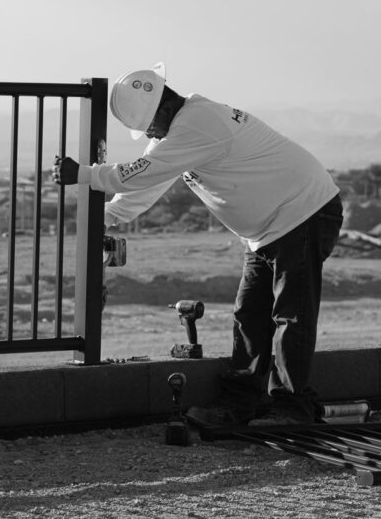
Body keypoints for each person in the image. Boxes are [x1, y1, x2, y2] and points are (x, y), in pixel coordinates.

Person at [53, 63, 342, 427]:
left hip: (304, 213)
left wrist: (83, 175)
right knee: (249, 314)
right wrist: (107, 217)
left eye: (148, 127)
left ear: (161, 110)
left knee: (290, 314)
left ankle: (289, 407)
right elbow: (151, 182)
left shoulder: (200, 123)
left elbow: (145, 171)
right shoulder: (180, 130)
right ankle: (241, 402)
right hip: (268, 229)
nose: (149, 133)